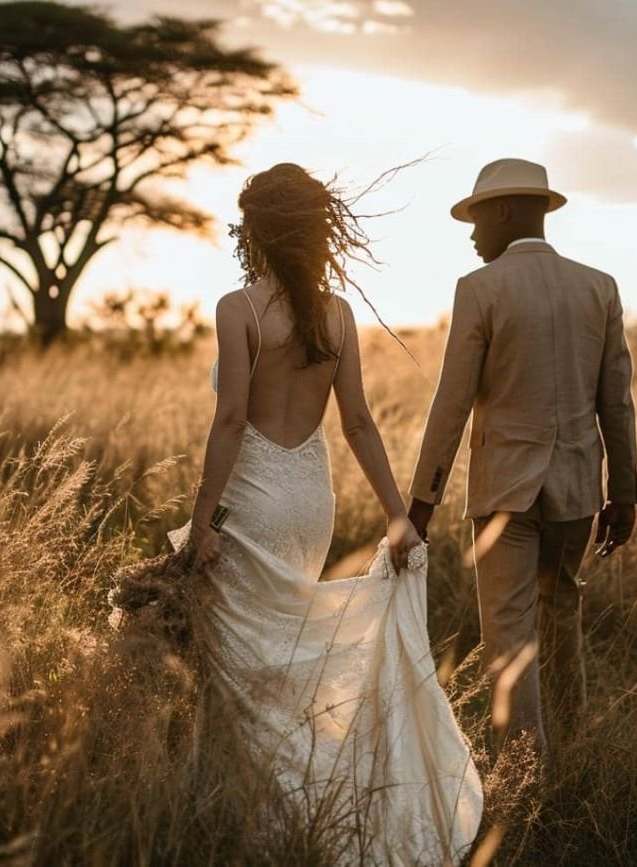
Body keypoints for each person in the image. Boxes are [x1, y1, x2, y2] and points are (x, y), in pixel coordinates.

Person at [171, 163, 483, 864]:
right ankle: (305, 802)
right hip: (311, 500)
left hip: (251, 498)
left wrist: (201, 521)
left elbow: (229, 420)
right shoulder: (337, 313)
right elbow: (361, 424)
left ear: (253, 229)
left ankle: (271, 815)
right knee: (287, 659)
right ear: (317, 231)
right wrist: (398, 515)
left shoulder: (237, 308)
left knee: (247, 663)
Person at [408, 158, 637, 756]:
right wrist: (624, 492)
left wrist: (420, 505)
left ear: (506, 211)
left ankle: (521, 774)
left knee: (509, 632)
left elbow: (451, 403)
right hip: (578, 491)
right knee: (561, 611)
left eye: (476, 218)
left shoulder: (479, 289)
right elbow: (617, 399)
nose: (472, 233)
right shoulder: (599, 285)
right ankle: (571, 744)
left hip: (506, 494)